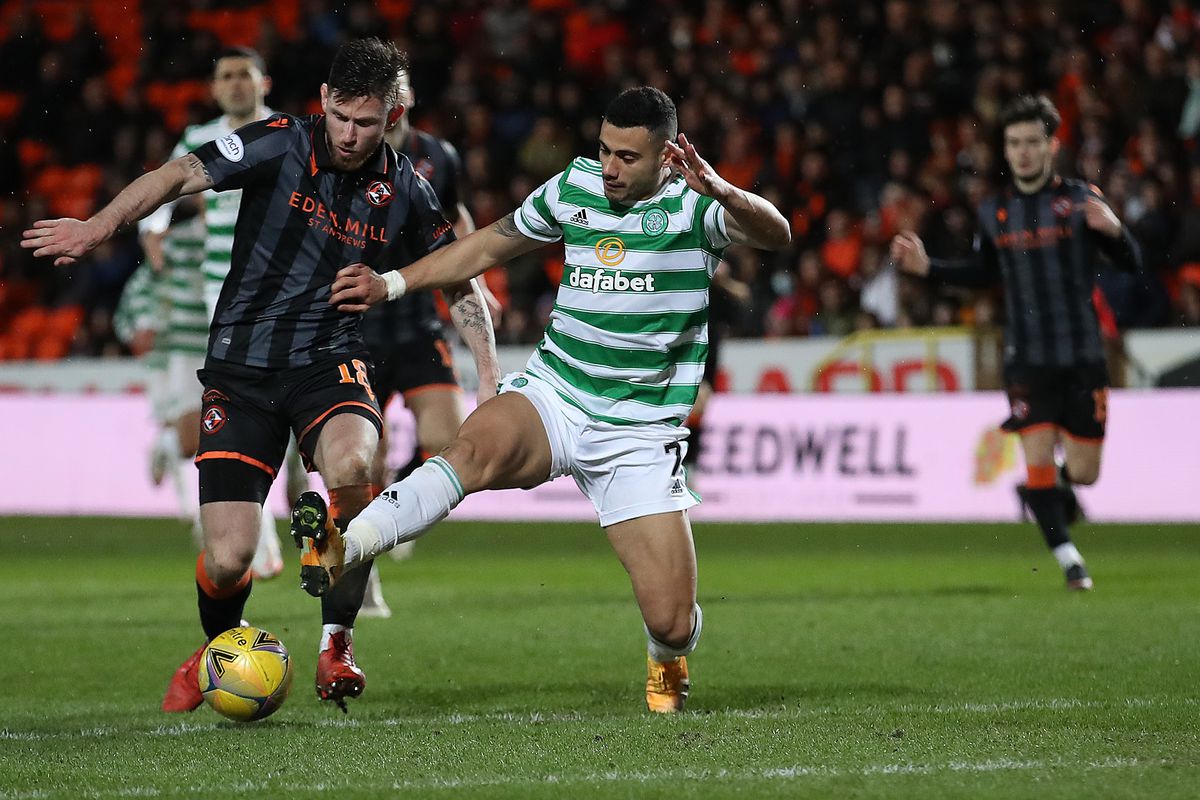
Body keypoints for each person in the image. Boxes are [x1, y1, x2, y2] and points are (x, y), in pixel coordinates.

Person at [22, 38, 499, 712]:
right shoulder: (278, 141)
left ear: (392, 117)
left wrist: (487, 378)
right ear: (324, 100)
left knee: (353, 466)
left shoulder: (407, 189)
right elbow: (178, 174)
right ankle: (218, 647)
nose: (350, 135)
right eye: (340, 117)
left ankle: (337, 643)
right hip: (241, 370)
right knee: (228, 558)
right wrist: (100, 226)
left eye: (366, 123)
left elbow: (459, 274)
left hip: (329, 362)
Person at [292, 86, 791, 713]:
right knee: (469, 451)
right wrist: (391, 283)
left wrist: (723, 190)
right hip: (557, 394)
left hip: (637, 431)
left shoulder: (698, 207)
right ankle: (345, 546)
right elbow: (487, 245)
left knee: (670, 619)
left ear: (667, 156)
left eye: (628, 157)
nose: (609, 168)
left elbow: (777, 234)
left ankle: (666, 658)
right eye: (604, 150)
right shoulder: (575, 187)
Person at [889, 94, 1142, 591]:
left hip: (1083, 355)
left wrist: (1117, 233)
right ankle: (1071, 563)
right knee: (1038, 458)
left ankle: (1050, 496)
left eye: (1031, 142)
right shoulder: (995, 211)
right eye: (1014, 143)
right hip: (1026, 359)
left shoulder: (1081, 200)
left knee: (1085, 473)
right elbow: (983, 272)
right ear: (1005, 150)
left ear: (1051, 146)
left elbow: (1132, 264)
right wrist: (930, 268)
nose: (1023, 152)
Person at [137, 47, 285, 579]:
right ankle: (258, 542)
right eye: (226, 76)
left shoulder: (287, 132)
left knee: (276, 416)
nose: (236, 84)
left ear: (263, 82)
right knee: (245, 409)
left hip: (287, 292)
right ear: (215, 88)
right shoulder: (199, 138)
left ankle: (267, 529)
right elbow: (163, 186)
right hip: (224, 299)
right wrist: (153, 230)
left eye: (244, 74)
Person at [353, 68, 489, 617]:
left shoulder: (439, 157)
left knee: (451, 439)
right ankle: (364, 575)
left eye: (398, 91)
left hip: (416, 320)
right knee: (365, 461)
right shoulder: (347, 155)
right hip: (356, 328)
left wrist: (477, 280)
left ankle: (401, 506)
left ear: (407, 99)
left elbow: (456, 218)